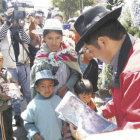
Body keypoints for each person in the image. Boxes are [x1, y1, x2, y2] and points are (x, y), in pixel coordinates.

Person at [70, 5, 140, 139]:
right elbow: (126, 97)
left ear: (102, 41)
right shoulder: (129, 52)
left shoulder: (134, 72)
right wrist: (102, 112)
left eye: (90, 50)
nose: (93, 55)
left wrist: (88, 137)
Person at [31, 18, 81, 98]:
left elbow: (75, 74)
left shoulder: (68, 53)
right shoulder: (40, 56)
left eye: (57, 38)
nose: (54, 43)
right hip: (46, 99)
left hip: (66, 97)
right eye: (50, 38)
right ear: (44, 37)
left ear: (62, 37)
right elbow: (36, 81)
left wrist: (64, 88)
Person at [0, 8, 31, 126]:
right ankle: (17, 116)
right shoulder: (4, 30)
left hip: (23, 65)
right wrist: (8, 22)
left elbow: (28, 40)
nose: (14, 21)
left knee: (28, 92)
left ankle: (30, 114)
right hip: (10, 67)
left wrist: (20, 27)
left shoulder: (20, 29)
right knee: (14, 94)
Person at [21, 68, 63, 140]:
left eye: (50, 85)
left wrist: (65, 124)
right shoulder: (33, 105)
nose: (47, 89)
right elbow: (28, 123)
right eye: (43, 86)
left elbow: (63, 116)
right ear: (36, 87)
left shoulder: (58, 100)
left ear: (53, 85)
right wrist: (35, 134)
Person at [0, 52, 13, 140]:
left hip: (8, 106)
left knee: (9, 127)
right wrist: (1, 96)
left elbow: (13, 84)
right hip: (1, 109)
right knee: (3, 131)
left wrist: (16, 90)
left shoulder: (6, 73)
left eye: (0, 60)